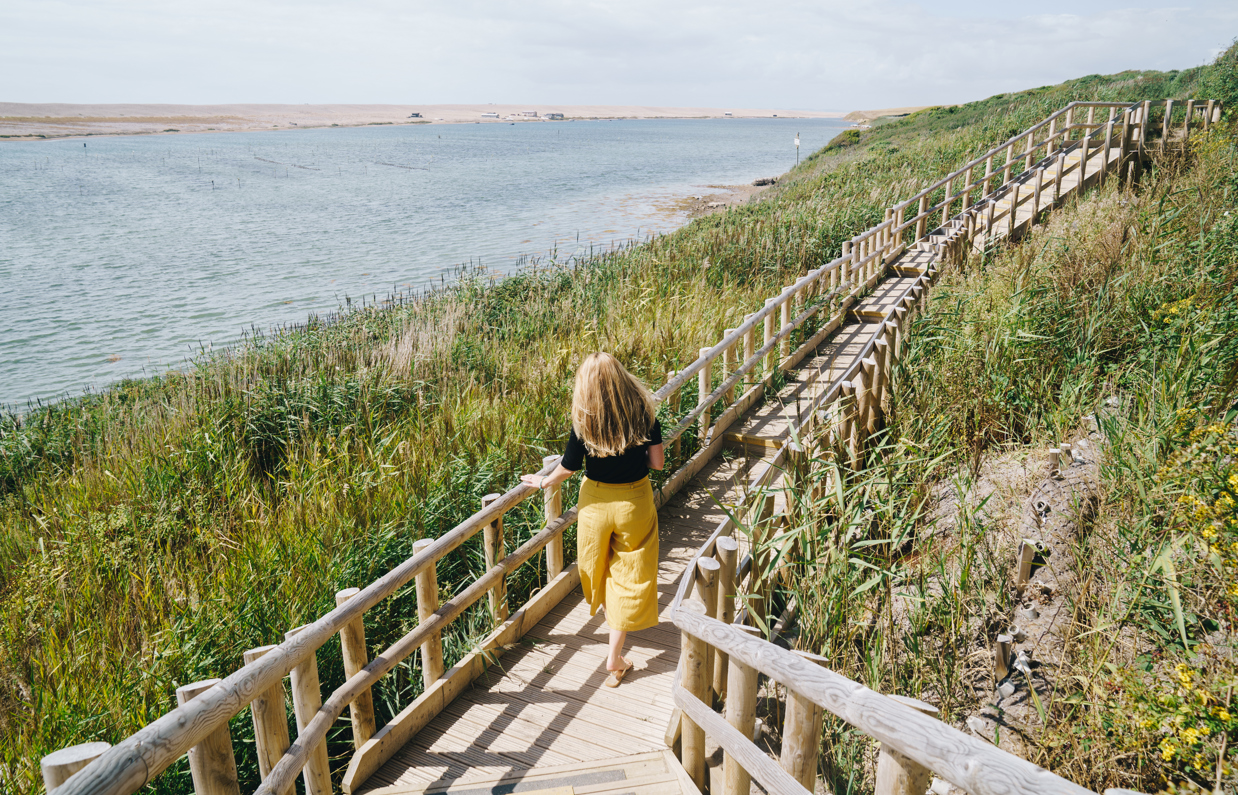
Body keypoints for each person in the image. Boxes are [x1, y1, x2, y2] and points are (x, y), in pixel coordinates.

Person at [521, 352, 664, 687]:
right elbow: (656, 464)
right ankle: (615, 656)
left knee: (594, 563)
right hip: (634, 500)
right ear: (622, 377)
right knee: (628, 572)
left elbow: (568, 468)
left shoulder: (585, 421)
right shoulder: (644, 414)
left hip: (595, 503)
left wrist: (542, 481)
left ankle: (609, 617)